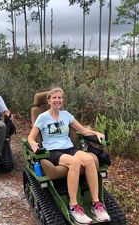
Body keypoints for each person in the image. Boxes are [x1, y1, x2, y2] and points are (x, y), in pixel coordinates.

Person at [27, 87, 110, 225]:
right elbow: (31, 137)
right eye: (54, 98)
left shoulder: (66, 115)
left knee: (89, 159)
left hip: (69, 147)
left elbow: (83, 130)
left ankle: (96, 204)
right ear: (49, 100)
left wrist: (97, 134)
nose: (57, 100)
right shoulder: (42, 117)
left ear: (62, 100)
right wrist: (33, 144)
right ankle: (73, 206)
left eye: (60, 98)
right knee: (75, 162)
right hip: (52, 151)